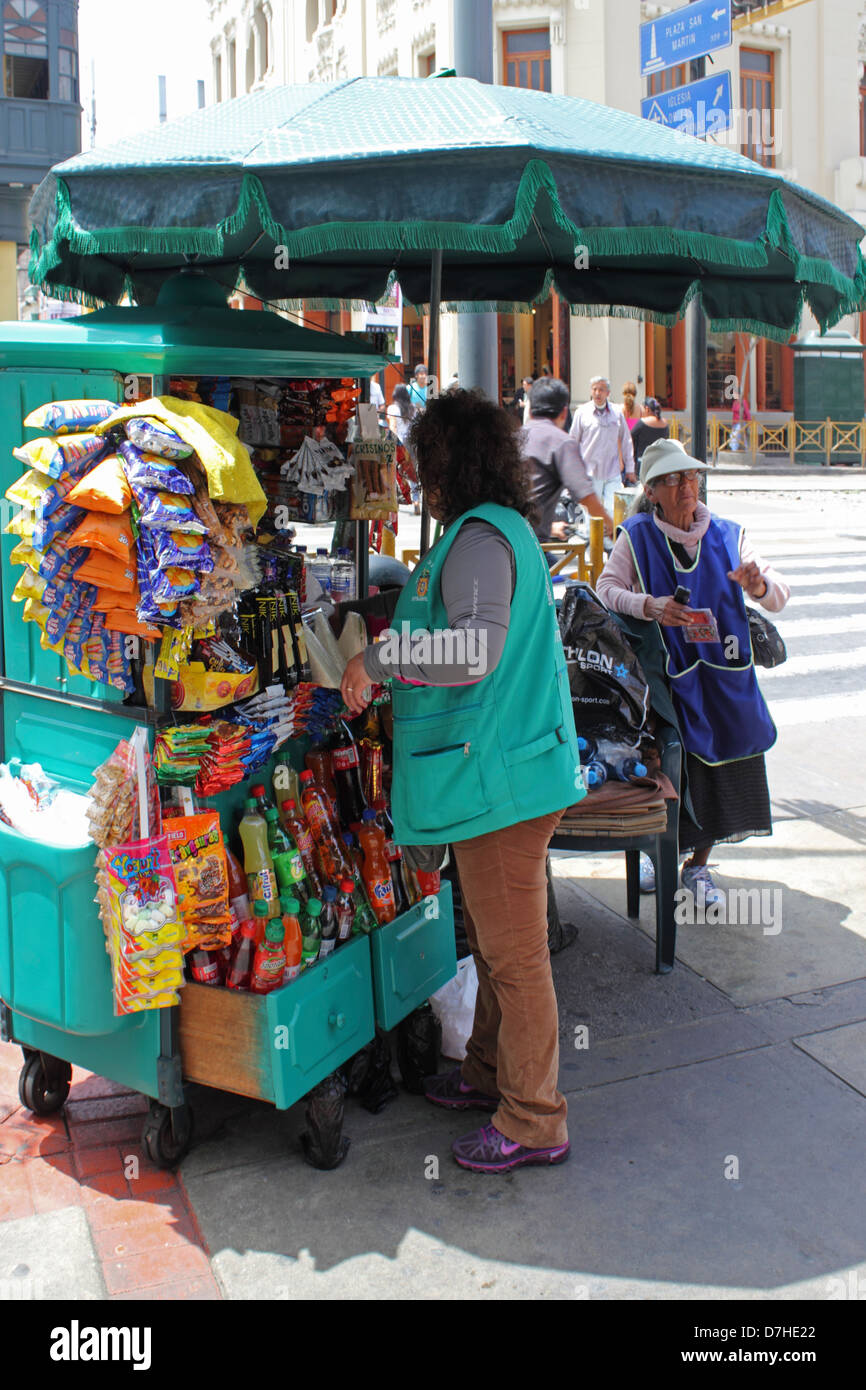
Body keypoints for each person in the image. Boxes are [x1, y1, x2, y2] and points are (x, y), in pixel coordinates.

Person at [340, 389, 582, 1174]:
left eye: (424, 463)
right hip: (499, 776)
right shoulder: (488, 532)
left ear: (451, 463)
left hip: (502, 784)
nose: (417, 479)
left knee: (515, 955)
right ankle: (487, 1074)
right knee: (494, 938)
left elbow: (474, 653)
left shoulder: (480, 540)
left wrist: (379, 661)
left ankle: (535, 1117)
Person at [596, 438, 789, 903]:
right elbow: (606, 590)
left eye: (692, 476)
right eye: (674, 479)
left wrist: (759, 584)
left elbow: (778, 594)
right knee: (668, 764)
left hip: (724, 678)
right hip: (666, 677)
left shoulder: (729, 534)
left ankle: (697, 867)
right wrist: (650, 605)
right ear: (653, 490)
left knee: (726, 767)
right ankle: (653, 851)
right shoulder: (637, 536)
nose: (687, 486)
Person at [520, 377, 613, 543]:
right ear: (564, 413)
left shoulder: (516, 436)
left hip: (503, 536)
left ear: (531, 411)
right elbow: (585, 495)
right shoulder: (561, 442)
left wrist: (550, 527)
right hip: (529, 545)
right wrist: (611, 526)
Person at [570, 375, 636, 512]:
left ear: (608, 393)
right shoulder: (581, 413)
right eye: (594, 389)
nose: (597, 393)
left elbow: (626, 441)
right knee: (591, 517)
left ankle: (612, 534)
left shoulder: (617, 413)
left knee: (614, 513)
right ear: (590, 391)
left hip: (613, 472)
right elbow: (573, 442)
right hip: (590, 472)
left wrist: (630, 468)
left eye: (601, 390)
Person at [386, 383, 421, 513]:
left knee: (396, 472)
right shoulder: (413, 409)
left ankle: (397, 499)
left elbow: (393, 427)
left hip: (398, 444)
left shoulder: (393, 409)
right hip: (410, 444)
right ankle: (416, 500)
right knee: (411, 472)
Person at [630, 397, 669, 465]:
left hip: (643, 461)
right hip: (660, 461)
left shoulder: (642, 422)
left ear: (647, 409)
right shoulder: (665, 423)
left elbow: (630, 438)